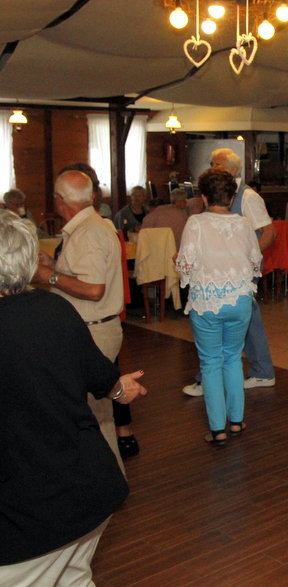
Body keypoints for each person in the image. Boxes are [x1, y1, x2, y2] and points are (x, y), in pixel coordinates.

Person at [0, 209, 147, 584]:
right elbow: (105, 380)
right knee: (74, 578)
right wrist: (122, 388)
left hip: (31, 515)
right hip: (86, 492)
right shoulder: (54, 308)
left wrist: (117, 387)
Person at [32, 169, 134, 467]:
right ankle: (107, 481)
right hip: (94, 329)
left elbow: (93, 289)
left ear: (60, 199)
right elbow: (86, 277)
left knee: (93, 415)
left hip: (93, 331)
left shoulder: (88, 232)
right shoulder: (92, 226)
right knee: (95, 413)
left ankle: (105, 484)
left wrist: (48, 276)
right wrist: (56, 267)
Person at [176, 167, 262, 445]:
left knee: (211, 363)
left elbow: (185, 268)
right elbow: (254, 262)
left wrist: (176, 262)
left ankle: (218, 429)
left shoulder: (196, 223)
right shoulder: (245, 223)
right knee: (233, 358)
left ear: (203, 197)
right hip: (239, 300)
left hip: (207, 303)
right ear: (232, 196)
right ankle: (236, 421)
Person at [182, 149, 278, 396]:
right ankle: (257, 372)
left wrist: (246, 258)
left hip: (238, 272)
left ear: (230, 169)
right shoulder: (222, 197)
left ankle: (255, 372)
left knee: (244, 324)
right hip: (225, 271)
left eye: (215, 164)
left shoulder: (248, 197)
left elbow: (269, 231)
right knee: (242, 325)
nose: (211, 167)